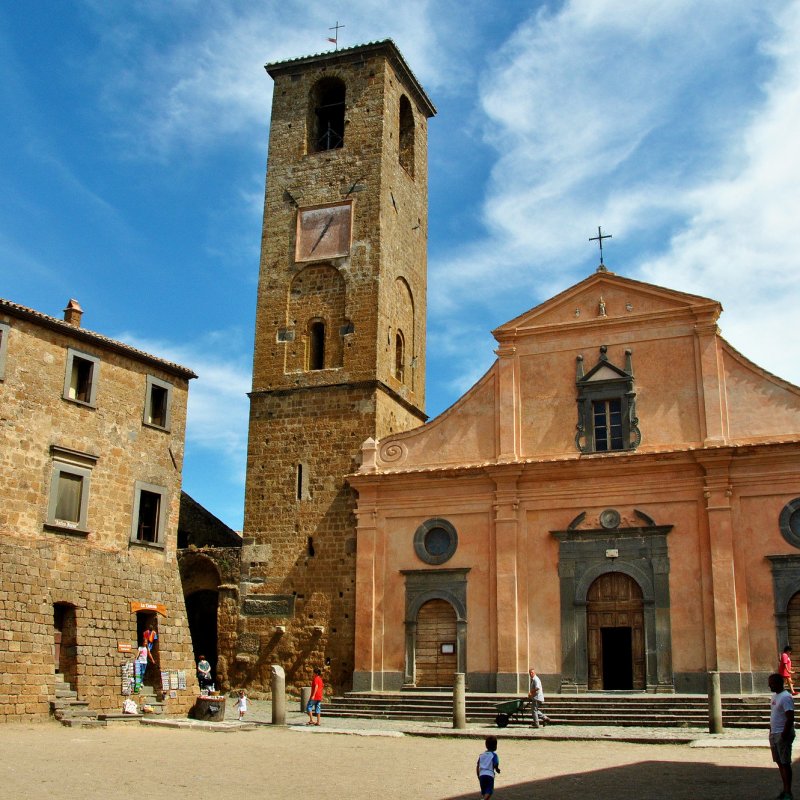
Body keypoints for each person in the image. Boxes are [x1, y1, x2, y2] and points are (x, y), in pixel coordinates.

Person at [769, 672, 795, 800]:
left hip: (782, 734)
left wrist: (785, 733)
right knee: (779, 762)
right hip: (774, 733)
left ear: (779, 683)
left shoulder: (786, 697)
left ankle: (788, 792)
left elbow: (790, 717)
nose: (770, 686)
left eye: (772, 684)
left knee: (785, 763)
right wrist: (771, 731)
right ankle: (785, 790)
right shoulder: (774, 696)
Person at [476, 734, 500, 800]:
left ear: (486, 745)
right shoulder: (494, 755)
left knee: (484, 791)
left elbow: (478, 766)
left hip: (482, 775)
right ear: (495, 746)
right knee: (489, 790)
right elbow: (496, 763)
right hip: (489, 775)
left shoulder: (481, 755)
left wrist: (478, 775)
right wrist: (497, 769)